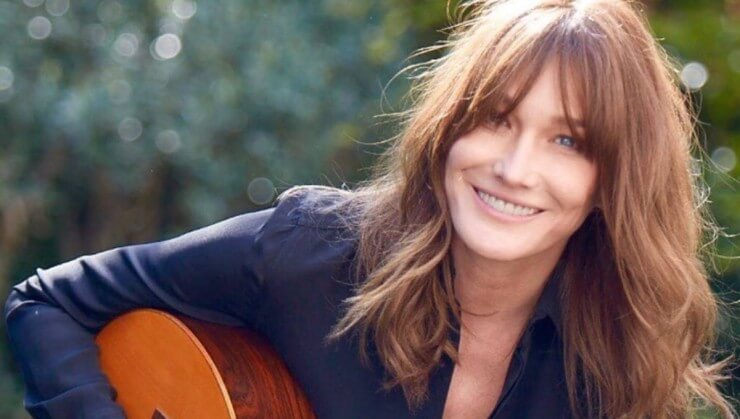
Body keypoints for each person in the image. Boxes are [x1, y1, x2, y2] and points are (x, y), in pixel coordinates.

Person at [4, 0, 736, 418]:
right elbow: (45, 303)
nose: (516, 170)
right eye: (497, 118)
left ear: (613, 181)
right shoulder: (311, 251)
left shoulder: (610, 372)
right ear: (450, 127)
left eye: (567, 141)